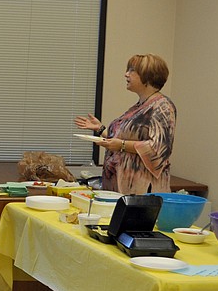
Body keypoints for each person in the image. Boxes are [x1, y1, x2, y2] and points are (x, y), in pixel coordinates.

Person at [74, 53, 177, 194]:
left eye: (131, 70)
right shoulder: (139, 107)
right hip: (120, 189)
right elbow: (121, 139)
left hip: (142, 191)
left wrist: (121, 145)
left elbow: (158, 149)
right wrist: (100, 129)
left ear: (148, 75)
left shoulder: (162, 107)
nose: (126, 74)